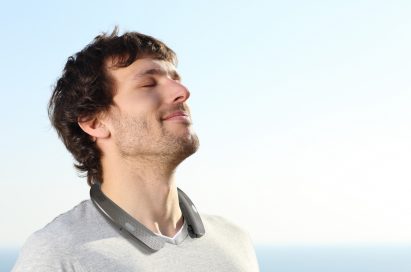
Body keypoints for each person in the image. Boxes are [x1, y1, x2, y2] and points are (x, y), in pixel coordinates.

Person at [12, 28, 259, 271]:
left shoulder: (235, 243)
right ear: (94, 122)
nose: (182, 92)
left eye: (176, 80)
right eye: (148, 84)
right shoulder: (58, 253)